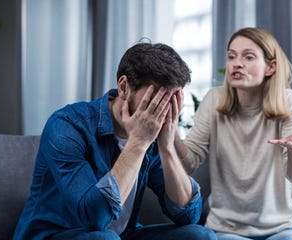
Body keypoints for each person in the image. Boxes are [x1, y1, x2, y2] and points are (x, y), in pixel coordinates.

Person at [13, 42, 216, 240]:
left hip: (120, 234)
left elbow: (188, 215)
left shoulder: (154, 133)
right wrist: (138, 143)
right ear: (124, 87)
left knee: (200, 235)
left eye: (170, 100)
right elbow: (95, 219)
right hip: (56, 234)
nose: (161, 109)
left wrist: (167, 147)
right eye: (154, 99)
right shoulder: (67, 125)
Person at [174, 27, 292, 240]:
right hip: (227, 230)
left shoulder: (287, 100)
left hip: (281, 228)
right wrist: (171, 134)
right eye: (231, 56)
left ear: (270, 67)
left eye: (249, 57)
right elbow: (189, 162)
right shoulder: (214, 100)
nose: (237, 63)